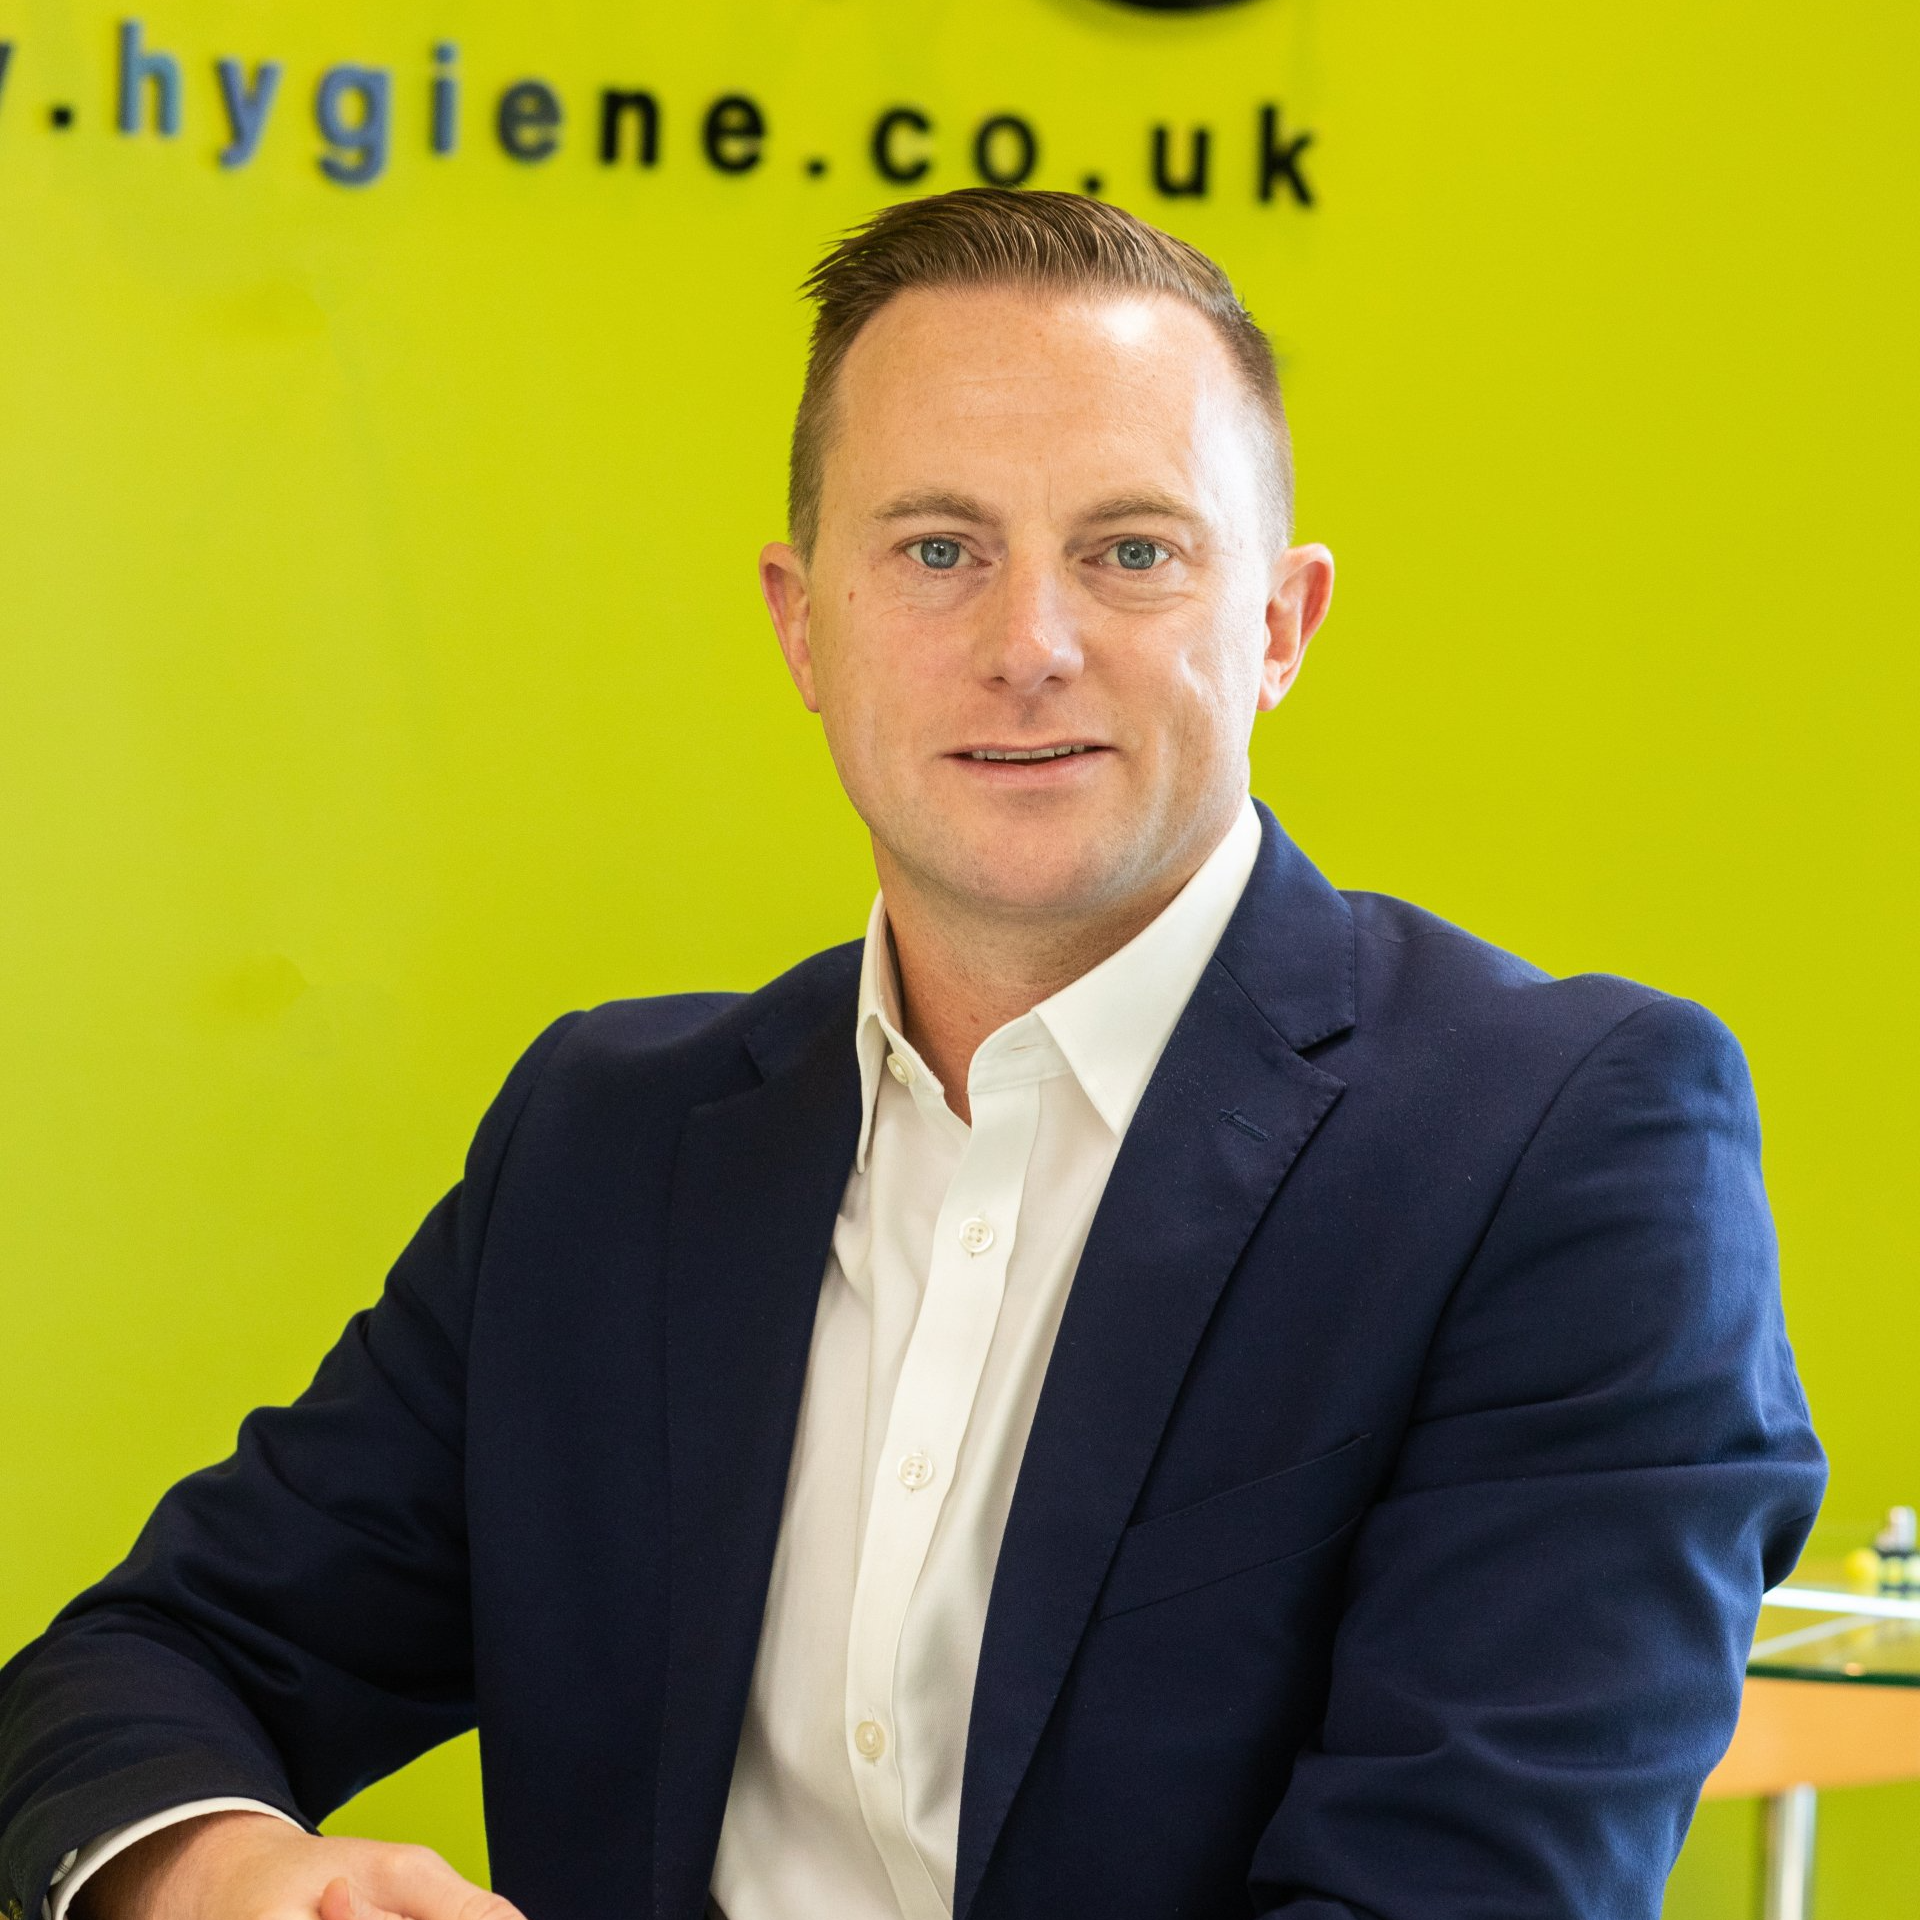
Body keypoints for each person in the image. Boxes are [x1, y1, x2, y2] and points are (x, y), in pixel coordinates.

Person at [0, 188, 1824, 1920]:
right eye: (939, 550)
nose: (1030, 644)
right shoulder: (605, 1145)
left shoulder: (1562, 1150)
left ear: (1279, 627)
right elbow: (149, 1662)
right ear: (804, 624)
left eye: (1130, 551)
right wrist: (223, 1874)